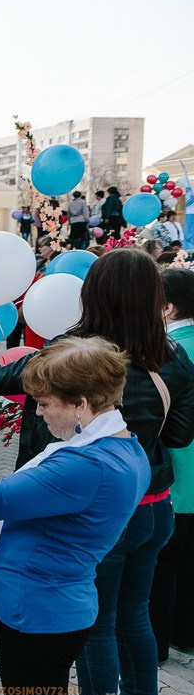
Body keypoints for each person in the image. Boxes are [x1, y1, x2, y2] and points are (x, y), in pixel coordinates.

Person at [0, 248, 194, 695]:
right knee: (134, 618)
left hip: (73, 533)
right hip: (149, 505)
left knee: (94, 635)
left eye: (46, 403)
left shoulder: (73, 366)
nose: (41, 409)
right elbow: (179, 434)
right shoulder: (171, 361)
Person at [0, 337, 149, 695]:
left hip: (38, 613)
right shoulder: (125, 445)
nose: (39, 413)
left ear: (81, 404)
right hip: (58, 606)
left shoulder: (86, 465)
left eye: (45, 404)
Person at [152, 267, 194, 661]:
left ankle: (157, 643)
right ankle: (185, 632)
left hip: (179, 475)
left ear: (168, 308)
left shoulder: (169, 353)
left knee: (163, 565)